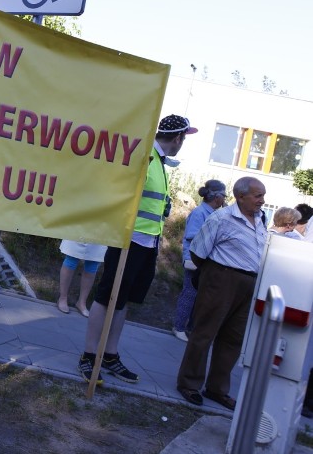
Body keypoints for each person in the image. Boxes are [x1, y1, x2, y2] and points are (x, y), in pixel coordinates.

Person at [78, 114, 196, 385]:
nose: (183, 143)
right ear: (178, 137)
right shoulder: (146, 158)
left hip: (149, 243)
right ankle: (88, 355)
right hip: (128, 241)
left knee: (124, 300)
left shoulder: (161, 163)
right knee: (106, 296)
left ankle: (109, 355)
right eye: (185, 138)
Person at [176, 177, 267, 410]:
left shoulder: (261, 219)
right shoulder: (222, 218)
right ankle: (189, 383)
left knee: (233, 339)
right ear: (240, 196)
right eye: (257, 196)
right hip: (221, 278)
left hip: (250, 284)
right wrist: (213, 278)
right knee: (204, 332)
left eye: (262, 195)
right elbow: (197, 252)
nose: (262, 200)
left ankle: (217, 389)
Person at [172, 179, 227, 342]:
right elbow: (191, 234)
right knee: (189, 293)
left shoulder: (211, 213)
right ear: (216, 197)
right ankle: (179, 326)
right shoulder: (199, 212)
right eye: (223, 196)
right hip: (194, 259)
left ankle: (189, 327)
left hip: (203, 260)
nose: (224, 199)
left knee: (198, 296)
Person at [57, 240, 105, 317]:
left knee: (92, 265)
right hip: (79, 230)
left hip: (99, 233)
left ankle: (82, 303)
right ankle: (62, 298)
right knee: (71, 260)